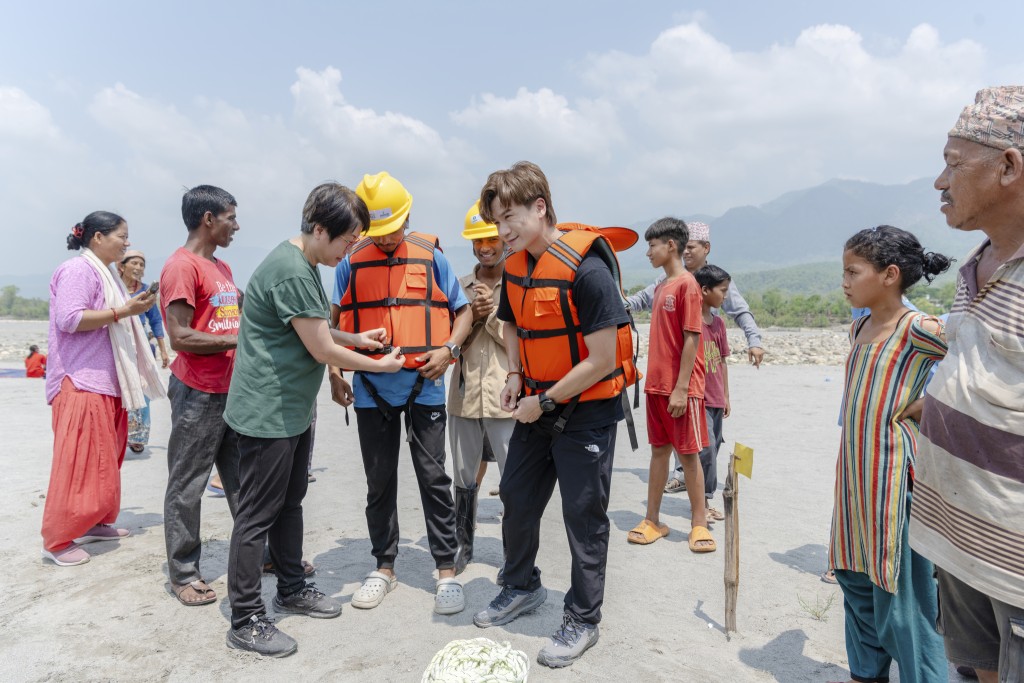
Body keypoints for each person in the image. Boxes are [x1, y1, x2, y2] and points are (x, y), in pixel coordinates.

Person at [224, 182, 404, 658]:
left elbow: (312, 327)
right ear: (320, 229)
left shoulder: (304, 262)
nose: (351, 249)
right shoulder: (292, 270)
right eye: (348, 240)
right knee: (256, 515)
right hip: (268, 411)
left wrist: (359, 338)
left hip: (292, 410)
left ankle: (291, 586)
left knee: (290, 502)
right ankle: (245, 618)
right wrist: (380, 364)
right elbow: (322, 348)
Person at [472, 161, 639, 669]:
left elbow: (603, 359)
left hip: (585, 412)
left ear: (539, 207)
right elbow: (512, 326)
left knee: (583, 517)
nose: (502, 233)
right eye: (496, 223)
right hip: (535, 405)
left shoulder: (587, 271)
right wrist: (517, 377)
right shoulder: (518, 265)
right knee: (518, 498)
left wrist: (542, 401)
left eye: (509, 218)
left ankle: (583, 618)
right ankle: (520, 586)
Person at [909, 85, 1024, 683]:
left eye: (954, 165)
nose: (939, 182)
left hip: (1016, 559)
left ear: (1009, 167)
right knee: (975, 668)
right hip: (959, 537)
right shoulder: (978, 264)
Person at [330, 171, 472, 616]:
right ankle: (384, 567)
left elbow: (462, 314)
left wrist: (448, 351)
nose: (388, 241)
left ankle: (445, 570)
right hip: (371, 387)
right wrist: (335, 372)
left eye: (393, 231)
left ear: (407, 216)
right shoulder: (349, 261)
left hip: (424, 384)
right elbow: (327, 325)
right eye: (379, 233)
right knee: (379, 480)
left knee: (434, 479)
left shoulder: (432, 257)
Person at [829, 226, 950, 683]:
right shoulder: (861, 325)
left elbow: (979, 359)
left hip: (895, 482)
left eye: (852, 271)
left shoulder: (918, 327)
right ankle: (867, 673)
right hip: (855, 480)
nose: (844, 280)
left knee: (902, 597)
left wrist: (931, 402)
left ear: (890, 275)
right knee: (854, 580)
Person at [41, 211, 164, 566]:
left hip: (107, 380)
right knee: (77, 461)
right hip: (79, 379)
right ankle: (58, 539)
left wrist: (130, 309)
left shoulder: (106, 272)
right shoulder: (78, 270)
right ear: (97, 237)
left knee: (104, 459)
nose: (126, 243)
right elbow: (70, 318)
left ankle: (94, 521)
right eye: (122, 236)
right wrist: (123, 312)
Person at [627, 222, 764, 495]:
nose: (685, 252)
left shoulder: (714, 280)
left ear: (706, 248)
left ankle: (703, 495)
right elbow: (640, 299)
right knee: (681, 435)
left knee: (705, 438)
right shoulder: (666, 280)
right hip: (676, 375)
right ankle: (688, 483)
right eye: (683, 247)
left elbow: (739, 312)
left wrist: (754, 340)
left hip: (702, 377)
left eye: (691, 247)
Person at [160, 184, 244, 606]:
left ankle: (254, 557)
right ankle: (184, 572)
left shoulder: (222, 268)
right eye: (231, 217)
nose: (236, 225)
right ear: (208, 219)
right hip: (197, 392)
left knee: (242, 481)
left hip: (230, 391)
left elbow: (233, 314)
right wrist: (237, 341)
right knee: (188, 483)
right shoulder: (181, 266)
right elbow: (179, 336)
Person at [627, 218, 712, 552]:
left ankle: (699, 523)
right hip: (656, 386)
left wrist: (681, 388)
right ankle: (652, 519)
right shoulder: (662, 286)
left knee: (689, 456)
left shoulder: (687, 285)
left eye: (652, 245)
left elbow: (692, 338)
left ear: (671, 246)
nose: (648, 252)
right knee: (659, 452)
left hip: (681, 389)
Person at [447, 201, 515, 574]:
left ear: (503, 239)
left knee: (513, 479)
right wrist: (471, 315)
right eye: (478, 241)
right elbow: (450, 342)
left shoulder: (519, 286)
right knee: (463, 476)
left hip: (507, 397)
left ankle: (513, 554)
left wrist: (490, 316)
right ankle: (462, 547)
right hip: (463, 395)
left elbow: (518, 344)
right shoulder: (459, 287)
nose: (485, 247)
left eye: (491, 239)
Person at [118, 249, 170, 453]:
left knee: (142, 387)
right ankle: (119, 434)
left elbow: (155, 321)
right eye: (134, 263)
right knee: (121, 388)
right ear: (122, 266)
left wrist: (164, 350)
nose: (139, 268)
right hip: (119, 342)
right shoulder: (114, 288)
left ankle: (137, 435)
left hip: (141, 346)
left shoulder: (147, 291)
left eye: (142, 265)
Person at [694, 264, 732, 523]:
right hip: (698, 397)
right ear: (705, 290)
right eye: (723, 290)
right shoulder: (691, 323)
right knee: (705, 449)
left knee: (715, 447)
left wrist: (727, 396)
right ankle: (704, 501)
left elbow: (722, 361)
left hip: (717, 397)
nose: (725, 295)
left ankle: (702, 499)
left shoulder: (718, 324)